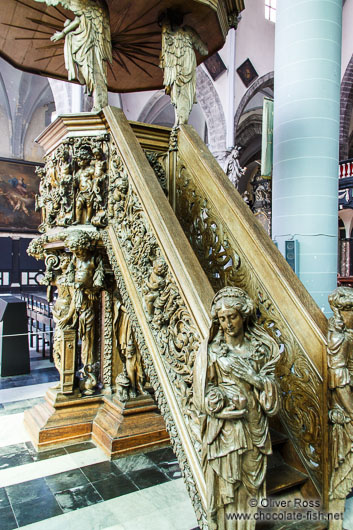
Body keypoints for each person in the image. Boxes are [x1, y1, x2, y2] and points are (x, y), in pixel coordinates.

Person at [194, 286, 280, 529]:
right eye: (222, 319)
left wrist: (255, 378)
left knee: (251, 485)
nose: (227, 324)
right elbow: (203, 390)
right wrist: (216, 403)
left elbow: (272, 390)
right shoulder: (212, 352)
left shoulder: (259, 351)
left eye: (232, 316)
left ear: (243, 316)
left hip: (255, 426)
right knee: (228, 486)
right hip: (227, 430)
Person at [34, 0, 112, 112]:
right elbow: (78, 20)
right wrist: (64, 33)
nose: (65, 5)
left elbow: (79, 18)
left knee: (93, 73)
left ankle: (100, 103)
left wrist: (65, 32)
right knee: (88, 74)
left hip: (90, 45)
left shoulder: (85, 5)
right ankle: (98, 103)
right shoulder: (84, 10)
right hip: (84, 41)